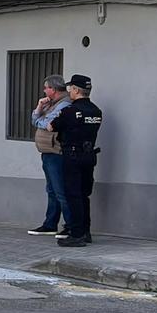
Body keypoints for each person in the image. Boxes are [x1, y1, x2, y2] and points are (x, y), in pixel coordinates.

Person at [51, 74, 104, 247]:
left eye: (70, 88)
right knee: (83, 195)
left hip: (72, 156)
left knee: (73, 195)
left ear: (75, 90)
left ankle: (77, 234)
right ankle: (86, 231)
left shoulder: (70, 111)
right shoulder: (96, 111)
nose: (69, 92)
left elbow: (52, 126)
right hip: (89, 156)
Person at [27, 75, 72, 236]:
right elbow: (35, 120)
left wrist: (41, 118)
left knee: (61, 191)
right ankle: (50, 223)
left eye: (46, 87)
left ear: (53, 89)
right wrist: (39, 107)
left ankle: (70, 225)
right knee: (51, 190)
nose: (44, 90)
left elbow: (47, 125)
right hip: (47, 152)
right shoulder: (50, 104)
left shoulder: (64, 104)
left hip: (56, 153)